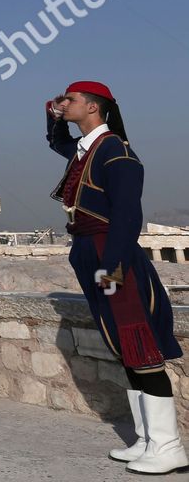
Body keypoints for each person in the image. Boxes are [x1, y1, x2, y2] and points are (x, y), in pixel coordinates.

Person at [47, 80, 186, 474]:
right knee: (121, 343)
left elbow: (127, 214)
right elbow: (56, 141)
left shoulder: (115, 151)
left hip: (112, 256)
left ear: (93, 107)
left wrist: (113, 268)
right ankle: (146, 440)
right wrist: (52, 113)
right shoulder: (85, 150)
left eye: (71, 100)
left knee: (138, 340)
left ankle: (168, 446)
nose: (64, 104)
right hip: (90, 252)